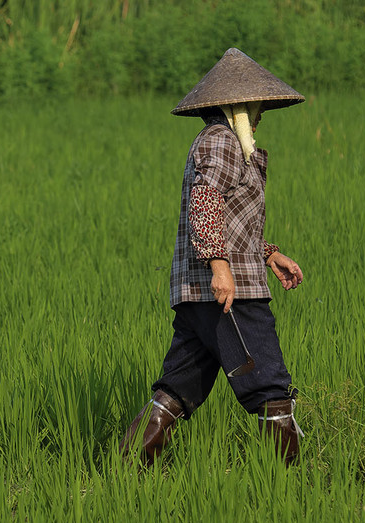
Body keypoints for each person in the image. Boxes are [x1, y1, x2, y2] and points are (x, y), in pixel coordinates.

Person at [120, 48, 306, 467]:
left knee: (177, 390)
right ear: (238, 106)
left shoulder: (222, 144)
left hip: (200, 293)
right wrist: (220, 267)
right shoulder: (222, 140)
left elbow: (227, 216)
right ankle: (294, 487)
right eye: (257, 108)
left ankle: (122, 471)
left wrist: (268, 253)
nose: (260, 116)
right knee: (270, 389)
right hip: (228, 295)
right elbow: (205, 200)